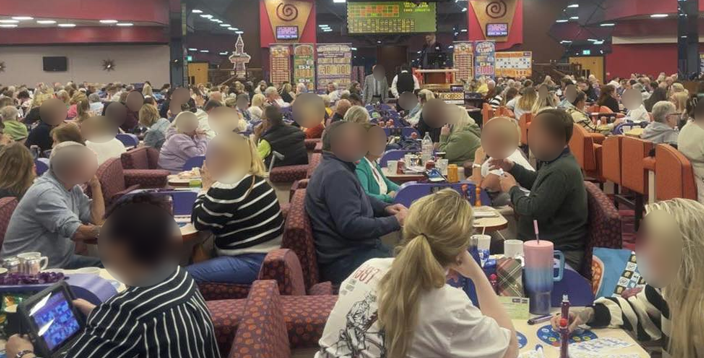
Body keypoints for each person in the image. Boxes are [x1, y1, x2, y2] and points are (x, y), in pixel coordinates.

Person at [554, 199, 704, 358]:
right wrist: (588, 314)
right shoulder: (675, 289)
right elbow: (638, 308)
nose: (641, 251)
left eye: (651, 243)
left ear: (681, 254)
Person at [5, 192, 221, 358]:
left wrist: (23, 352)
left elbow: (132, 319)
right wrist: (101, 317)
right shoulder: (178, 276)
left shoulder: (126, 312)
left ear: (120, 247)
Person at [316, 189, 518, 358]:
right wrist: (476, 273)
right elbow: (510, 350)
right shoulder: (449, 306)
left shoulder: (369, 267)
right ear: (459, 251)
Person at [306, 121, 406, 284]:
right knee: (418, 268)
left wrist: (386, 208)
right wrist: (396, 221)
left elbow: (361, 197)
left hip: (354, 252)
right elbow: (351, 225)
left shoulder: (337, 167)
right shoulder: (337, 175)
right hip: (347, 261)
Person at [491, 109, 588, 270]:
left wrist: (512, 189)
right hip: (538, 247)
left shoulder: (561, 171)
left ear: (549, 137)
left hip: (556, 255)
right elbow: (537, 182)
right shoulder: (555, 161)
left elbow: (531, 210)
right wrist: (512, 167)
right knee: (492, 247)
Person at [188, 133, 283, 284]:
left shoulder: (230, 184)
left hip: (252, 262)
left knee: (181, 278)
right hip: (269, 256)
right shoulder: (252, 177)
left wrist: (205, 188)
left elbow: (199, 221)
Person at [1, 142, 103, 269]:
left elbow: (97, 219)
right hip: (29, 271)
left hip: (59, 262)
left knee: (116, 267)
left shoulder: (72, 186)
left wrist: (95, 185)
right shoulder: (46, 193)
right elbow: (77, 232)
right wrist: (114, 231)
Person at [471, 117, 534, 206]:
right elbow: (474, 180)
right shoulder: (497, 154)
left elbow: (478, 192)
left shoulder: (509, 157)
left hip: (519, 209)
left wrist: (477, 161)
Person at [355, 125, 401, 202]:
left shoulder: (373, 162)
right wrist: (388, 197)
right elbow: (365, 197)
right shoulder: (360, 166)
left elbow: (386, 182)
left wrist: (403, 190)